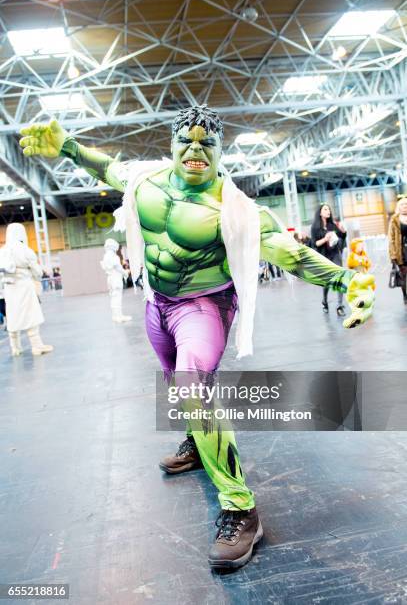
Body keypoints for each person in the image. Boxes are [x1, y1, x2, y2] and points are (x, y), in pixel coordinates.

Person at [19, 107, 374, 570]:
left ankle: (240, 508)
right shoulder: (144, 180)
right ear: (171, 143)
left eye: (207, 144)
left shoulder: (235, 209)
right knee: (176, 383)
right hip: (157, 302)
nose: (195, 150)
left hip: (204, 306)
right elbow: (106, 166)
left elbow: (289, 253)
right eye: (187, 140)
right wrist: (66, 146)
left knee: (191, 386)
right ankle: (195, 442)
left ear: (220, 151)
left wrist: (344, 282)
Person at [0, 223, 53, 356]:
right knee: (31, 315)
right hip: (24, 287)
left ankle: (15, 348)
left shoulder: (3, 251)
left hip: (10, 289)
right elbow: (37, 272)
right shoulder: (25, 250)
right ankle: (36, 346)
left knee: (12, 316)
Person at [311, 203, 347, 316]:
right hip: (324, 256)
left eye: (329, 209)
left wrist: (343, 231)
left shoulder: (332, 225)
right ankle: (325, 301)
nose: (328, 211)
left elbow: (342, 236)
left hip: (335, 254)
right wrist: (325, 238)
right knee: (327, 282)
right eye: (325, 209)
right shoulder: (315, 228)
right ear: (320, 212)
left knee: (340, 278)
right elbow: (314, 244)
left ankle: (339, 306)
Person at [100, 238, 132, 323]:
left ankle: (115, 316)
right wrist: (125, 273)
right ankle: (118, 316)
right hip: (115, 278)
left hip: (110, 278)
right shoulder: (113, 256)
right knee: (117, 297)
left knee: (113, 297)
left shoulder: (106, 256)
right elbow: (118, 267)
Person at [388, 196, 407, 304]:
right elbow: (391, 239)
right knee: (403, 276)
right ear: (399, 207)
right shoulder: (394, 220)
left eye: (406, 205)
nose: (405, 207)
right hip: (401, 252)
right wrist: (393, 255)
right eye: (403, 205)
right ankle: (405, 295)